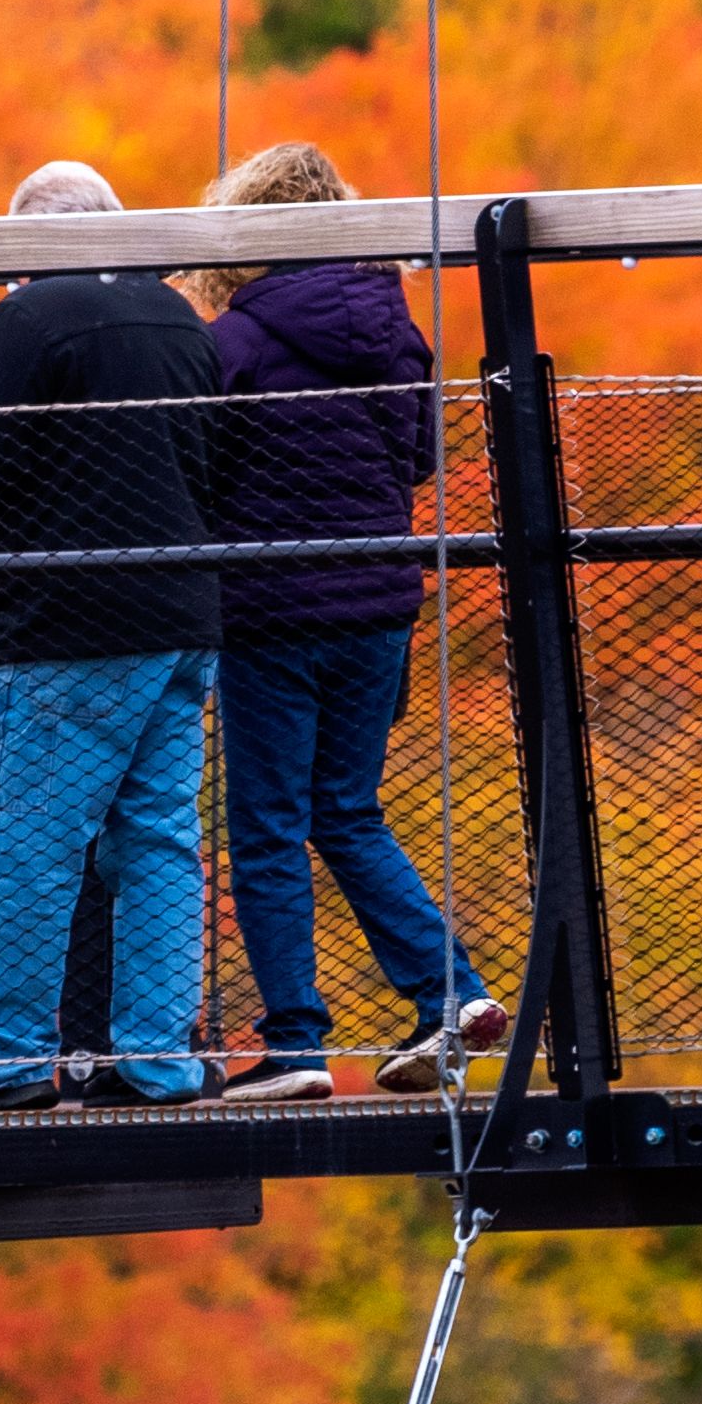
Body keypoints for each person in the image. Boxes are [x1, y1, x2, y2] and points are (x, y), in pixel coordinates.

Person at [190, 141, 509, 1102]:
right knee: (346, 810)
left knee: (266, 828)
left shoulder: (234, 342)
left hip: (269, 607)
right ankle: (450, 991)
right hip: (377, 604)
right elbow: (416, 459)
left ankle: (294, 1043)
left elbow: (199, 465)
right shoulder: (398, 333)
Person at [0, 158, 224, 1112]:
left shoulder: (31, 318)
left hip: (64, 625)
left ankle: (6, 1061)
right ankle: (157, 1059)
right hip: (180, 615)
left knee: (28, 846)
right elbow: (212, 466)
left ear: (30, 241)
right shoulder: (179, 318)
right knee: (160, 841)